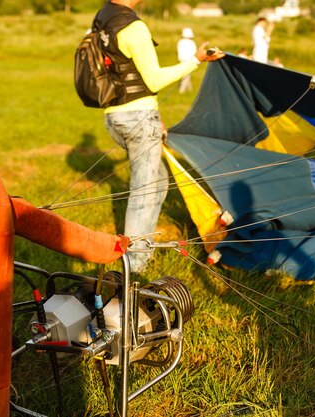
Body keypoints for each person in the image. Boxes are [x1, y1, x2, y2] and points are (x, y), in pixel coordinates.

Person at [95, 0, 225, 273]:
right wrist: (196, 60)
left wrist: (154, 114)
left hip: (114, 116)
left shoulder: (102, 18)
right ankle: (133, 265)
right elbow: (153, 80)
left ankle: (141, 248)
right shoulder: (134, 26)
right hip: (137, 118)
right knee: (144, 191)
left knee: (159, 183)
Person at [176, 27, 197, 94]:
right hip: (190, 61)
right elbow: (195, 52)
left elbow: (179, 51)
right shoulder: (192, 43)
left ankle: (190, 89)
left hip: (182, 60)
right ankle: (181, 91)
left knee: (186, 75)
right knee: (186, 75)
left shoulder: (180, 42)